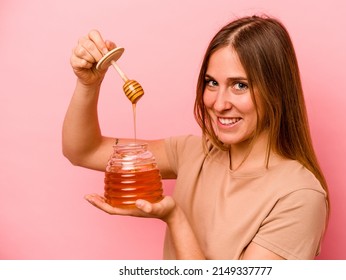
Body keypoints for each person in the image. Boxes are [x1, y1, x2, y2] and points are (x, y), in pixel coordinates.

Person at [63, 14, 329, 260]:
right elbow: (84, 151)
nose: (219, 103)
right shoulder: (194, 152)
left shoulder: (299, 197)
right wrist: (88, 83)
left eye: (240, 85)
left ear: (276, 91)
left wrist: (175, 217)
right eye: (212, 82)